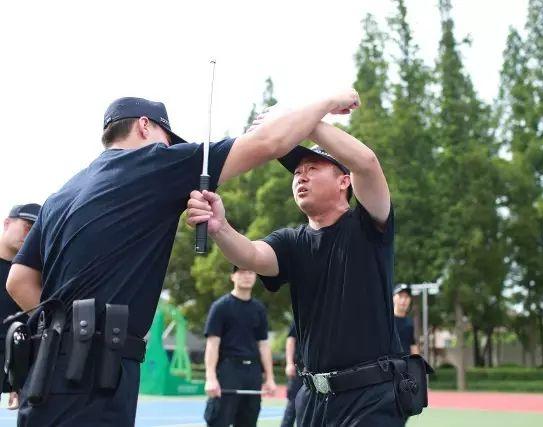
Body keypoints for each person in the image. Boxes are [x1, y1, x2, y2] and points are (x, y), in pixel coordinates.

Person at [6, 90, 360, 426]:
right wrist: (328, 101)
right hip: (96, 370)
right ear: (145, 125)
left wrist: (65, 331)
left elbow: (19, 281)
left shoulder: (60, 195)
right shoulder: (154, 164)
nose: (170, 148)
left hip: (44, 369)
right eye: (166, 138)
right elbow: (268, 143)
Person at [187, 119, 408, 426]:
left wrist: (305, 122)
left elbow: (367, 163)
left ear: (345, 181)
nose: (300, 176)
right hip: (314, 398)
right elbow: (251, 253)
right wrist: (220, 227)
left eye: (312, 168)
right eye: (297, 172)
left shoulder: (369, 224)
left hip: (371, 397)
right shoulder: (292, 241)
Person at [203, 266, 276, 427]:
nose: (247, 276)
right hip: (228, 369)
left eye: (251, 272)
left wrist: (270, 378)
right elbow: (212, 344)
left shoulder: (259, 309)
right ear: (232, 277)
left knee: (249, 421)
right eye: (242, 272)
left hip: (253, 372)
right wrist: (210, 378)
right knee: (219, 420)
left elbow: (264, 345)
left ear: (255, 277)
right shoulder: (220, 307)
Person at [0, 204, 40, 409]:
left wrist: (17, 378)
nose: (31, 234)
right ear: (7, 223)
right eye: (27, 226)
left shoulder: (33, 276)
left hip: (19, 370)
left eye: (36, 230)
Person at [280, 321, 303, 427]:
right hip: (299, 369)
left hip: (316, 371)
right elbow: (291, 340)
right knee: (293, 406)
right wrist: (289, 363)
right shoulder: (301, 315)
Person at [393, 284, 418, 355]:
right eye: (400, 296)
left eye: (406, 297)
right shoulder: (387, 321)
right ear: (393, 298)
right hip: (390, 363)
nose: (403, 300)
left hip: (406, 363)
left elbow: (412, 344)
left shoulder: (409, 321)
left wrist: (418, 363)